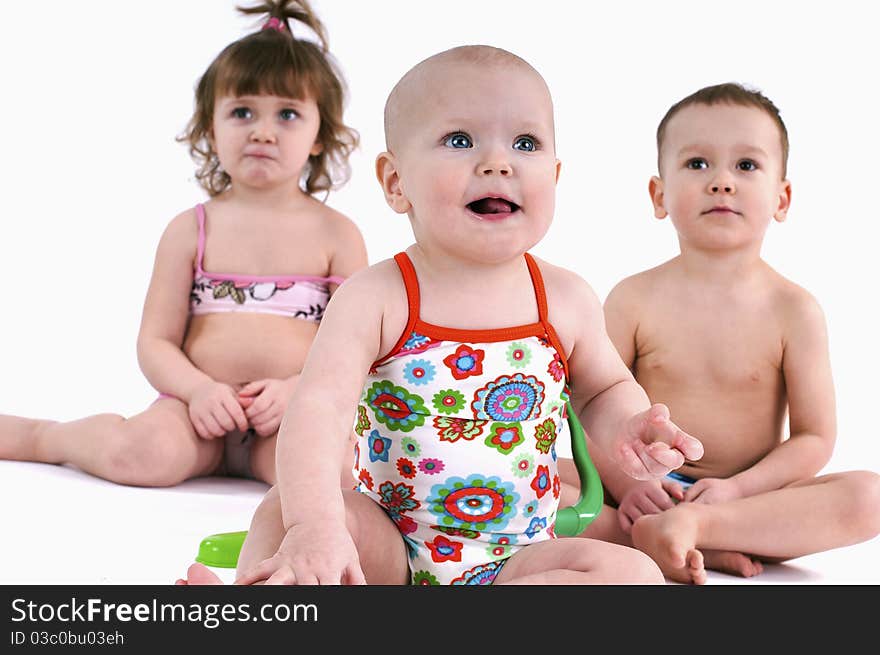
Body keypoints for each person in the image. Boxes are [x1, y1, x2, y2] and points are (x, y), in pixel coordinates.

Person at [179, 44, 704, 587]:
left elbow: (602, 390)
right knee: (284, 510)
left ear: (555, 173)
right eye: (459, 141)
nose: (498, 162)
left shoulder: (565, 298)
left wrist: (633, 426)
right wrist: (316, 527)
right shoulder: (377, 296)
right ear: (395, 182)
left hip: (516, 556)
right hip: (388, 546)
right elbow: (318, 411)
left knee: (635, 574)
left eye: (525, 143)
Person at [0, 1, 367, 487]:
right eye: (241, 112)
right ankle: (46, 437)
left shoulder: (337, 235)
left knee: (333, 474)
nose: (262, 131)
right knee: (141, 455)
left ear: (320, 134)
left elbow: (356, 351)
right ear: (210, 127)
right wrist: (198, 391)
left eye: (287, 115)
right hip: (194, 412)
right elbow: (156, 341)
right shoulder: (190, 229)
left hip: (289, 414)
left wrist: (298, 390)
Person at [570, 83, 880, 584]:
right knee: (530, 484)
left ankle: (698, 529)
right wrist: (626, 486)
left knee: (870, 497)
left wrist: (736, 491)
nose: (721, 182)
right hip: (642, 489)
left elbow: (814, 437)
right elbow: (586, 405)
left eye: (747, 166)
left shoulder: (794, 310)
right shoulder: (633, 298)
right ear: (659, 195)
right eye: (696, 164)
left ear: (783, 197)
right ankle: (675, 535)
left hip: (748, 496)